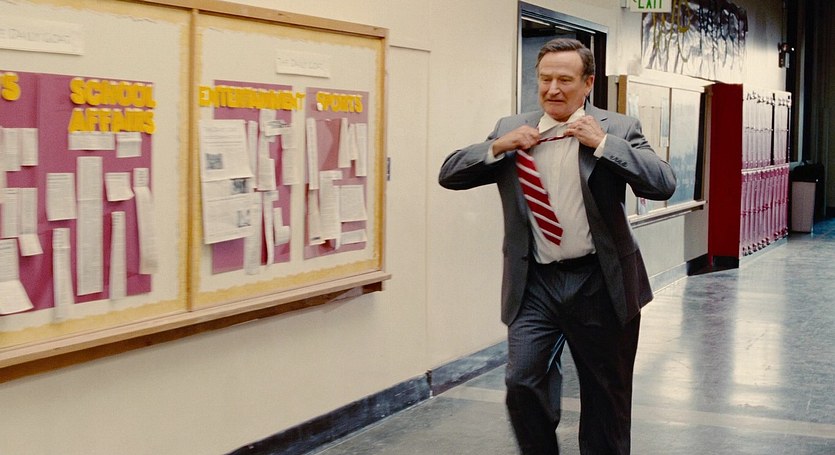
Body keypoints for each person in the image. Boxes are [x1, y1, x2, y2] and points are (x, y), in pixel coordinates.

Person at [438, 38, 676, 454]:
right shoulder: (512, 127)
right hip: (535, 282)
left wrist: (603, 144)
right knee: (522, 383)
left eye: (564, 80)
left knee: (606, 399)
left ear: (588, 83)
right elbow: (450, 173)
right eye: (545, 79)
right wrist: (498, 146)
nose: (552, 89)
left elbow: (662, 183)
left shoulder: (619, 128)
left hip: (601, 282)